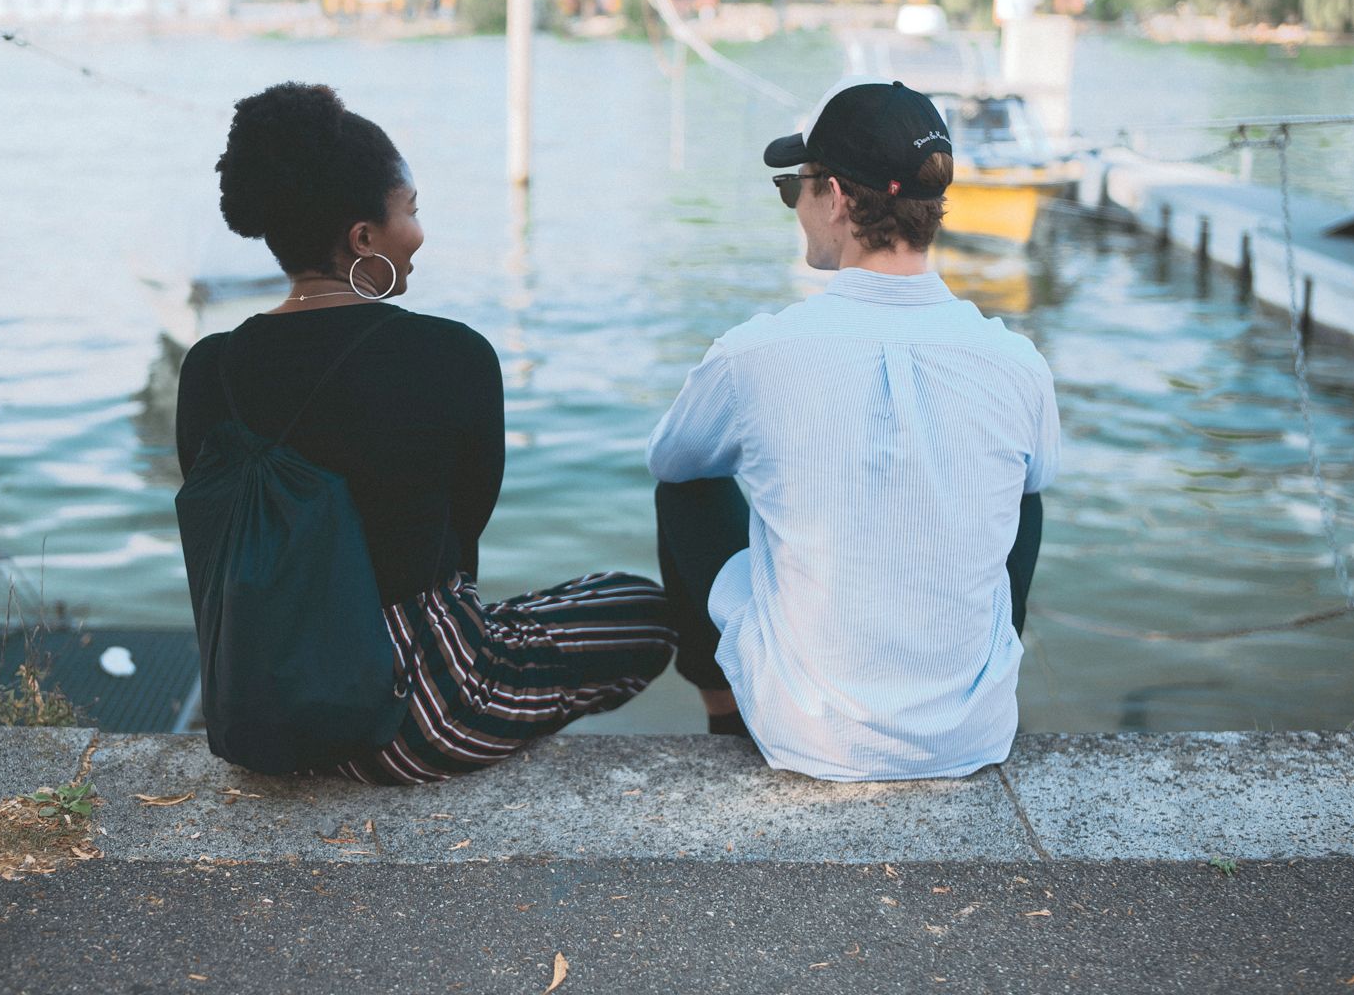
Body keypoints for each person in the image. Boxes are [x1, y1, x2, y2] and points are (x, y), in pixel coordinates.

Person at [176, 81, 675, 784]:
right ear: (363, 237)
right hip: (417, 718)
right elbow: (460, 536)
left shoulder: (208, 369)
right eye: (410, 210)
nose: (419, 230)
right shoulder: (452, 355)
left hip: (263, 713)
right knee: (641, 609)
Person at [647, 79, 1059, 783]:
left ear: (834, 197)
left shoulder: (755, 355)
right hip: (974, 737)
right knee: (1021, 497)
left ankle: (723, 711)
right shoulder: (1016, 361)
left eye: (794, 188)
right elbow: (1034, 485)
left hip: (809, 736)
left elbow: (671, 460)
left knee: (685, 486)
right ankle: (961, 688)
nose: (795, 207)